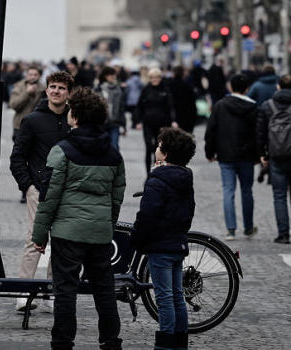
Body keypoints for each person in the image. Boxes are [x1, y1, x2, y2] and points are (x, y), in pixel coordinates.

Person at [31, 88, 125, 350]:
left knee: (65, 291)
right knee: (104, 290)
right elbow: (117, 196)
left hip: (67, 234)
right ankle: (111, 342)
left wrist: (39, 235)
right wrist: (108, 222)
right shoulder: (114, 154)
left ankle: (62, 342)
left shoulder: (62, 151)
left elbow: (48, 197)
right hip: (99, 233)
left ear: (76, 117)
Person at [9, 70, 72, 303]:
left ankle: (51, 293)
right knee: (34, 239)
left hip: (67, 191)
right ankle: (24, 293)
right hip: (39, 188)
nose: (56, 91)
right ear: (46, 90)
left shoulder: (73, 120)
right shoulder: (33, 120)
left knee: (62, 242)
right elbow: (17, 157)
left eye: (61, 88)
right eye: (53, 87)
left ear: (69, 93)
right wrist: (27, 187)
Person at [131, 126, 195, 350]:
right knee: (177, 296)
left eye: (159, 146)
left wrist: (137, 239)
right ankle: (180, 342)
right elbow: (189, 210)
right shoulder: (185, 176)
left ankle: (165, 344)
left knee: (165, 299)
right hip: (177, 243)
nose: (156, 148)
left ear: (165, 154)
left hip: (159, 247)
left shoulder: (157, 179)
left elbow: (147, 215)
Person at [256, 74, 291, 244]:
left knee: (279, 195)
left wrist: (263, 154)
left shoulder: (267, 106)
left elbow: (260, 133)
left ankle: (282, 234)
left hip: (275, 157)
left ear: (278, 87)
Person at [203, 75, 259, 239]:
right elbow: (258, 133)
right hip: (247, 156)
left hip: (226, 155)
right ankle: (248, 227)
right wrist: (258, 155)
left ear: (230, 87)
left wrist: (210, 152)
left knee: (228, 191)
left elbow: (211, 130)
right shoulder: (253, 107)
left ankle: (231, 229)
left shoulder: (220, 105)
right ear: (247, 89)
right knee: (247, 191)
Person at [136, 66, 177, 173]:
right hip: (148, 123)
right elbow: (140, 106)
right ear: (149, 78)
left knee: (158, 149)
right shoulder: (146, 89)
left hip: (162, 123)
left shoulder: (165, 89)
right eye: (152, 78)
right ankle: (148, 174)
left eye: (157, 77)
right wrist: (138, 121)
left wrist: (173, 120)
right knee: (148, 147)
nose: (154, 80)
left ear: (160, 78)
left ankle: (156, 172)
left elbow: (170, 106)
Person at [97, 65, 127, 149]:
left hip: (114, 123)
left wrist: (124, 126)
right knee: (101, 148)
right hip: (100, 124)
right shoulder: (98, 90)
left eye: (114, 75)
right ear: (105, 76)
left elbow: (121, 109)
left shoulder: (118, 90)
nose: (113, 77)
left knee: (114, 148)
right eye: (111, 75)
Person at [9, 64, 43, 131]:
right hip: (20, 125)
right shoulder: (18, 87)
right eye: (30, 74)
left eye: (35, 75)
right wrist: (27, 93)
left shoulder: (44, 89)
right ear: (26, 75)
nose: (33, 77)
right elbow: (13, 105)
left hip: (37, 126)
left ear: (39, 76)